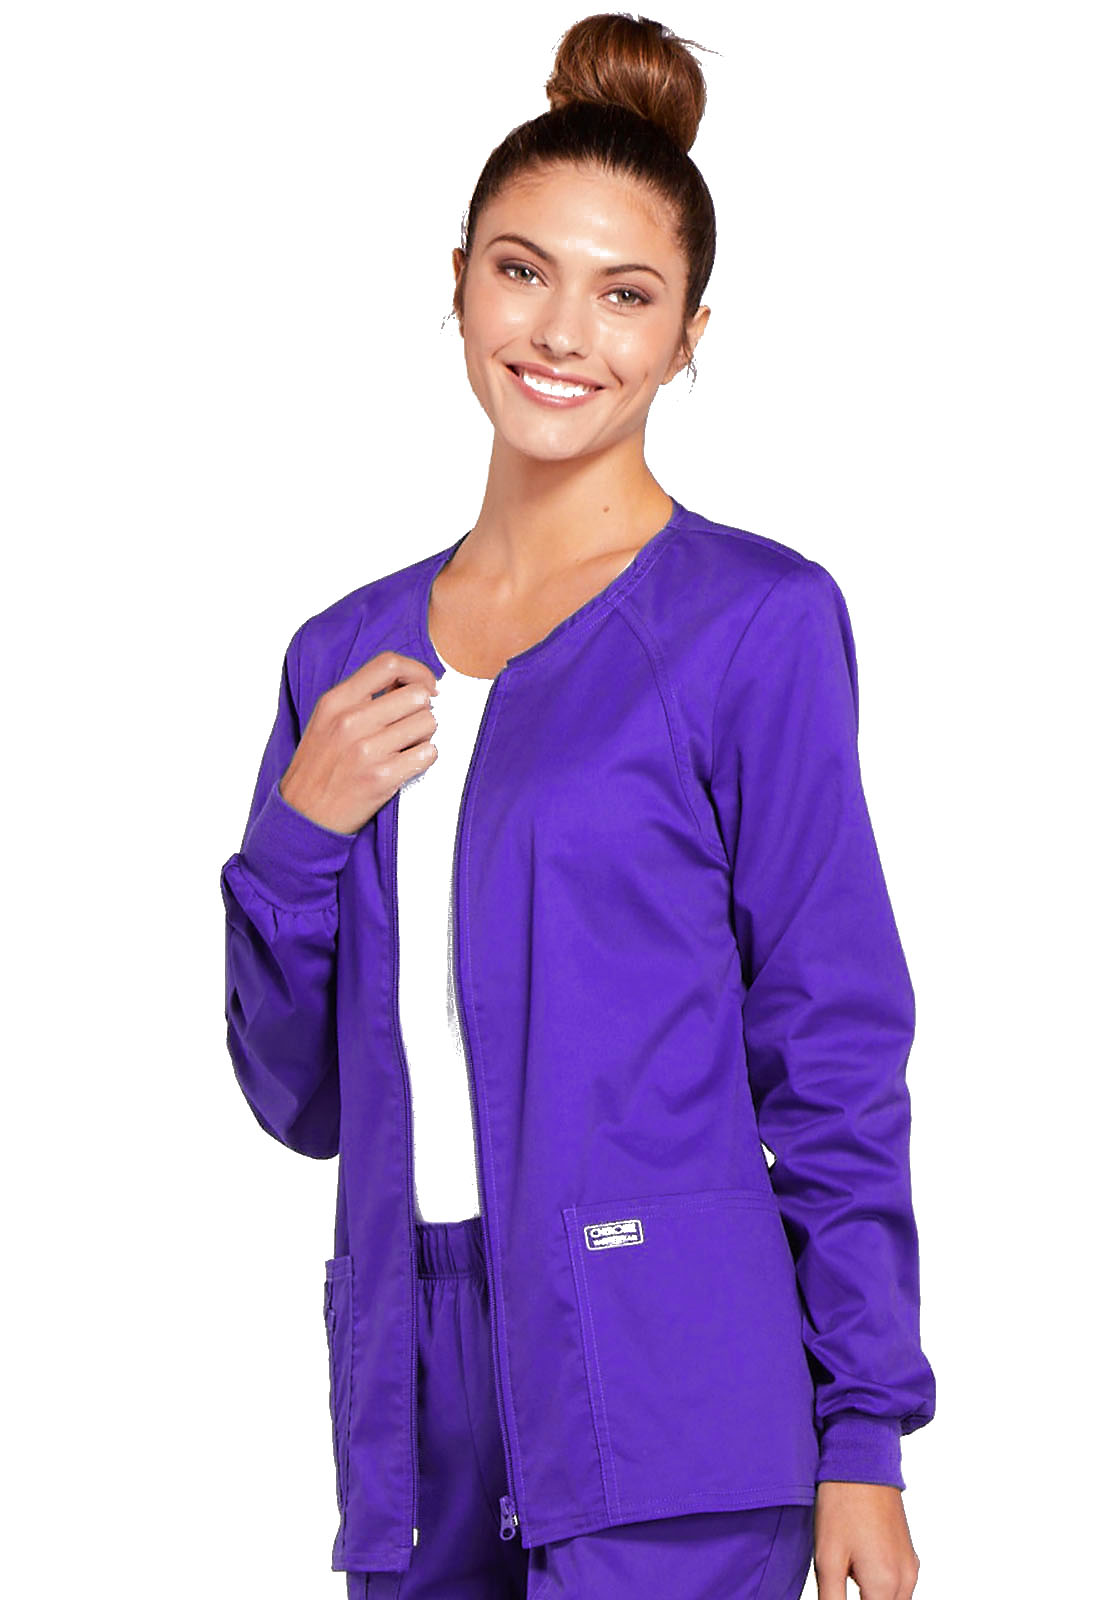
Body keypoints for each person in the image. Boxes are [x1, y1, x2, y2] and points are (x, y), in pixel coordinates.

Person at [220, 14, 935, 1599]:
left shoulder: (753, 623)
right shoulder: (345, 654)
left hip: (671, 1378)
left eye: (627, 294)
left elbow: (830, 1040)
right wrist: (294, 840)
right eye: (523, 272)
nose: (562, 332)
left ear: (687, 336)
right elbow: (299, 1098)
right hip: (409, 1381)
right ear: (459, 282)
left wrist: (864, 1431)